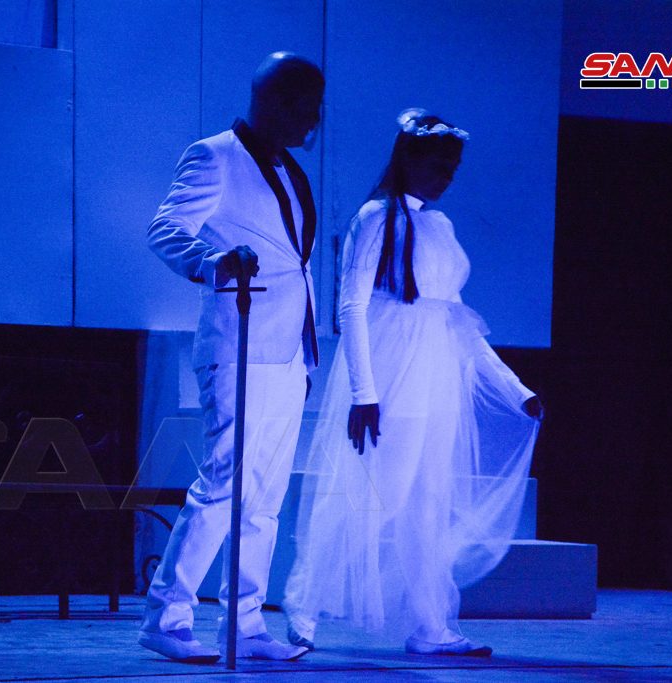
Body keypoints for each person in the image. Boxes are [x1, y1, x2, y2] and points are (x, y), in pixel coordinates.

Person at [282, 108, 544, 658]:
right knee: (372, 497)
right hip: (391, 372)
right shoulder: (375, 218)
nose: (447, 177)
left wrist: (515, 389)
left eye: (453, 168)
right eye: (438, 165)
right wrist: (365, 393)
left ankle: (431, 625)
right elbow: (351, 306)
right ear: (410, 159)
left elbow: (457, 320)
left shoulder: (439, 227)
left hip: (435, 377)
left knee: (428, 504)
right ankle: (303, 602)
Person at [139, 52, 324, 663]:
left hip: (287, 355)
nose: (315, 119)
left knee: (265, 499)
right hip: (237, 346)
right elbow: (166, 228)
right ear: (277, 101)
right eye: (308, 106)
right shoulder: (214, 155)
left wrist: (304, 351)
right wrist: (212, 261)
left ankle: (244, 625)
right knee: (223, 486)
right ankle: (166, 616)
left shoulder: (293, 171)